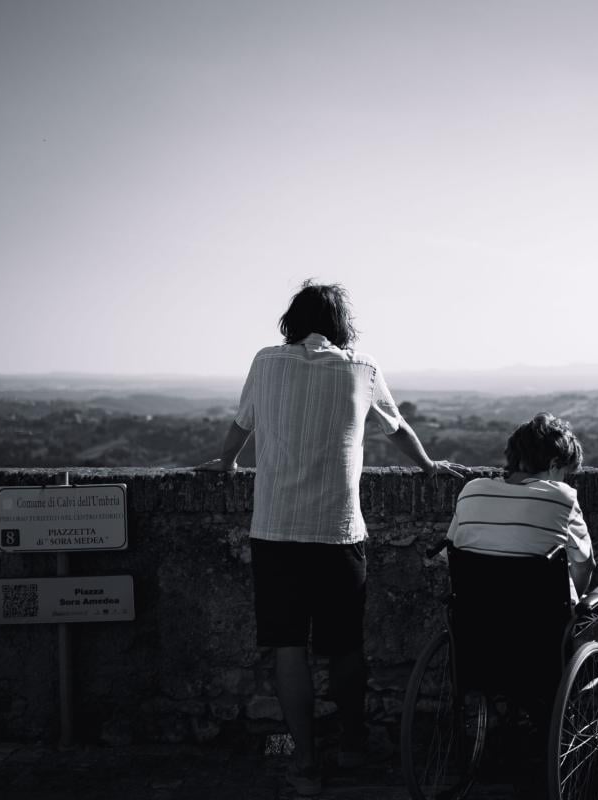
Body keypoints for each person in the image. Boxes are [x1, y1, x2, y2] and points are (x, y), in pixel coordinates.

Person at [195, 281, 463, 797]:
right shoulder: (360, 368)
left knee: (288, 648)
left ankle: (306, 764)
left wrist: (227, 463)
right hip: (339, 531)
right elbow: (396, 427)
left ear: (291, 321)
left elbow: (241, 424)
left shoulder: (266, 362)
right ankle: (354, 743)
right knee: (344, 649)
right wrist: (430, 466)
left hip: (274, 529)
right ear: (342, 325)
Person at [445, 411, 598, 643]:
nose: (564, 480)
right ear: (553, 465)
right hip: (543, 629)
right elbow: (584, 566)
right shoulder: (561, 496)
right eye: (564, 473)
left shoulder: (471, 490)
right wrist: (573, 603)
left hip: (478, 625)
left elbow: (450, 555)